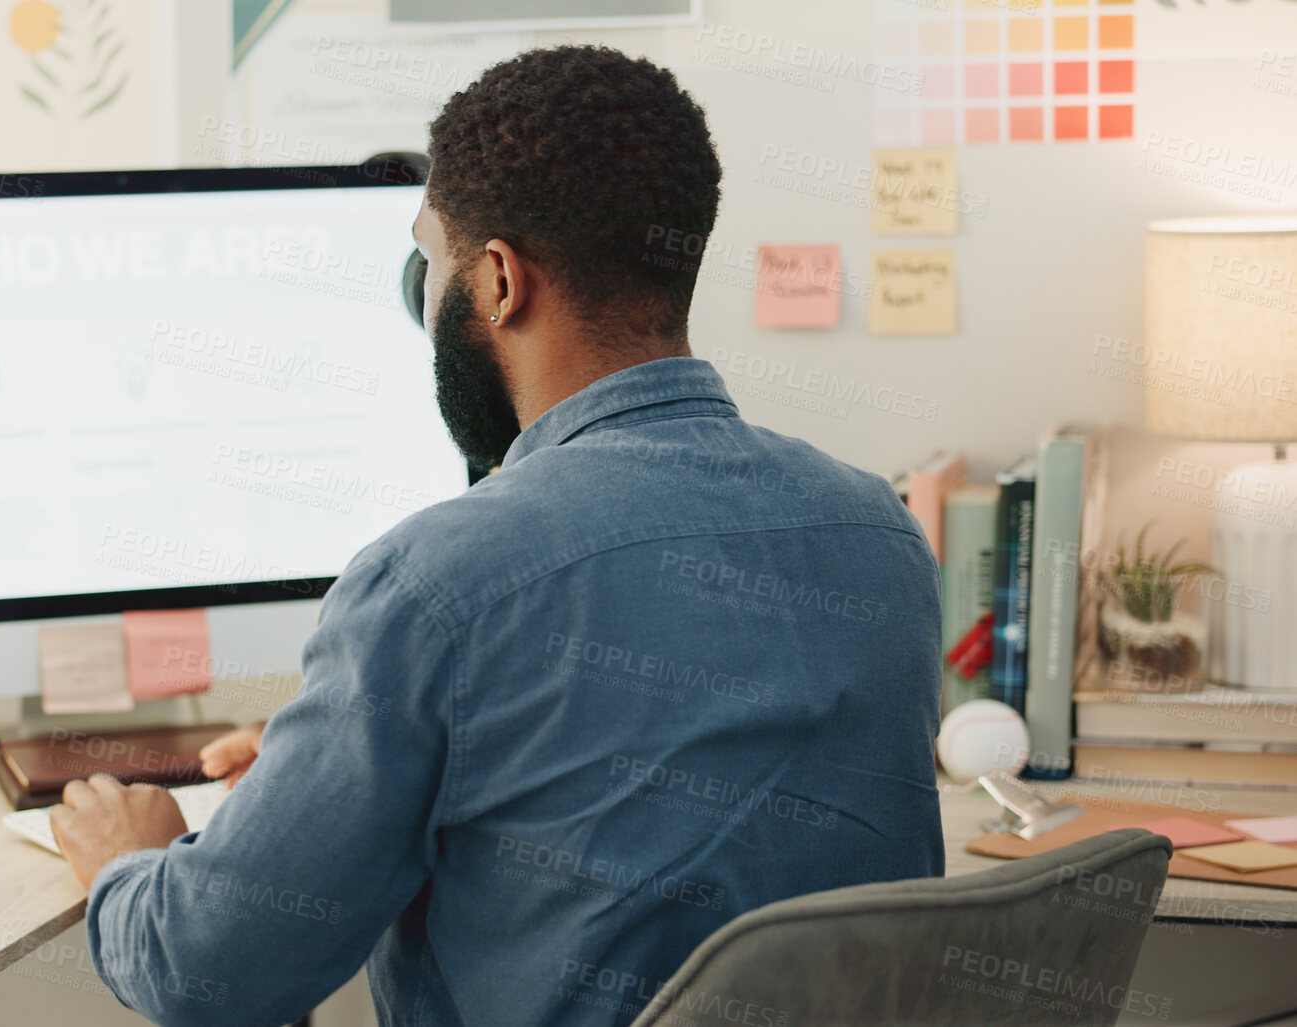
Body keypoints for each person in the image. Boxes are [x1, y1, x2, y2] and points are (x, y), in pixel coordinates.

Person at [49, 44, 945, 1027]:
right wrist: (343, 758)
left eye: (430, 265)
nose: (427, 302)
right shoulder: (880, 535)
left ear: (501, 282)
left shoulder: (435, 584)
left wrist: (129, 859)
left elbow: (206, 973)